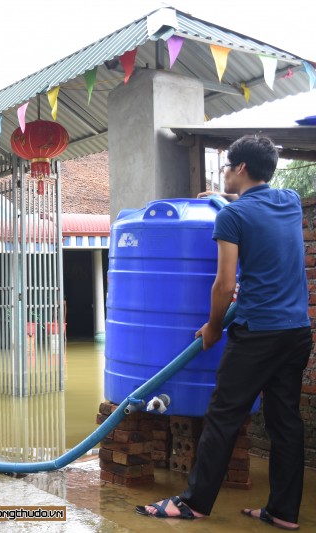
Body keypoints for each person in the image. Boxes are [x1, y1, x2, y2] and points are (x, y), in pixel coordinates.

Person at [137, 135, 311, 531]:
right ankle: (283, 512)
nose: (224, 173)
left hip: (258, 334)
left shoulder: (231, 218)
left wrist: (214, 326)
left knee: (222, 416)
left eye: (227, 167)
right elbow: (257, 208)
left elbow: (224, 285)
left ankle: (195, 503)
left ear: (241, 169)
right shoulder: (289, 202)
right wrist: (224, 196)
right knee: (286, 421)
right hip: (297, 332)